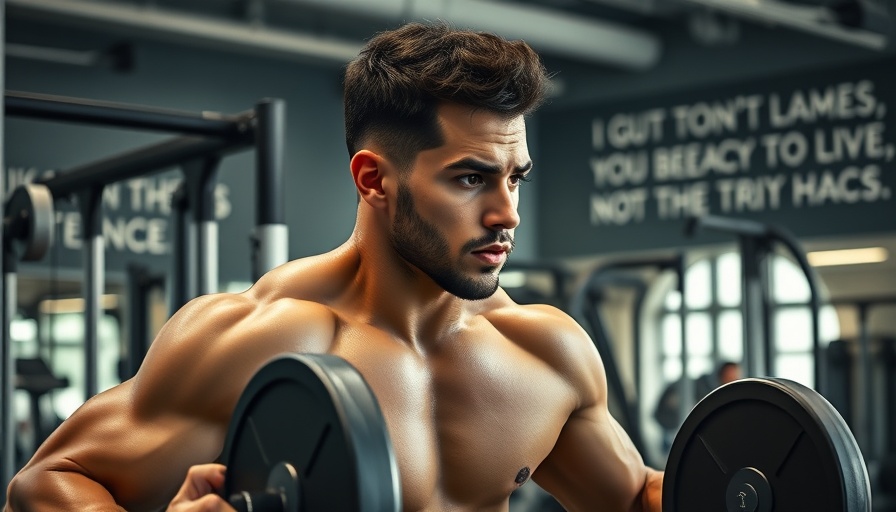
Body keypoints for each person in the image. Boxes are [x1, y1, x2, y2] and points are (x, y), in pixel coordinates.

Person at [5, 22, 663, 511]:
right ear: (374, 180)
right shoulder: (264, 339)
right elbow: (43, 486)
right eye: (470, 179)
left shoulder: (545, 351)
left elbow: (633, 498)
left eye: (514, 178)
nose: (506, 213)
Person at [653, 361, 741, 450]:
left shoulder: (711, 388)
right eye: (731, 376)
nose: (734, 380)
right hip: (672, 426)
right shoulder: (707, 391)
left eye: (736, 377)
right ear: (722, 374)